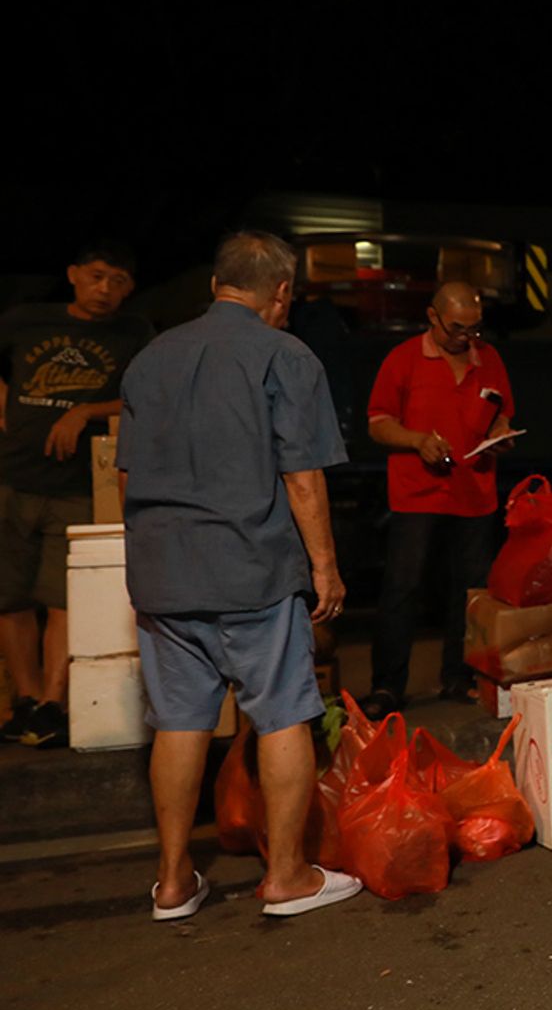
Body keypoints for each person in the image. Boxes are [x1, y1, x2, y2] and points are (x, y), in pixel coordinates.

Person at [118, 230, 361, 918]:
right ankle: (286, 876)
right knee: (285, 713)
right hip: (251, 567)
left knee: (179, 721)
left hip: (164, 573)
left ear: (216, 283)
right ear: (281, 293)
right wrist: (326, 569)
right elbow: (303, 478)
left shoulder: (149, 360)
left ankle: (172, 883)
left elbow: (129, 475)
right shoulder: (284, 355)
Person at [0, 245, 152, 748]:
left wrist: (83, 412)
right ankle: (22, 700)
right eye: (96, 276)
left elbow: (142, 393)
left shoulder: (133, 333)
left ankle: (51, 703)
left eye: (117, 281)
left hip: (79, 486)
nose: (105, 289)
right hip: (13, 476)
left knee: (64, 599)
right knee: (10, 597)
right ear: (73, 275)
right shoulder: (26, 320)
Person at [365, 281, 515, 716]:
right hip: (418, 493)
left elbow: (502, 411)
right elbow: (377, 423)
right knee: (402, 588)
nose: (467, 337)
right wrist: (416, 441)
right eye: (457, 329)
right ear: (432, 317)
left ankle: (458, 677)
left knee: (469, 593)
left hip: (475, 491)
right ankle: (387, 687)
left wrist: (500, 434)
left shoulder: (489, 359)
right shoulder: (403, 359)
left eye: (474, 329)